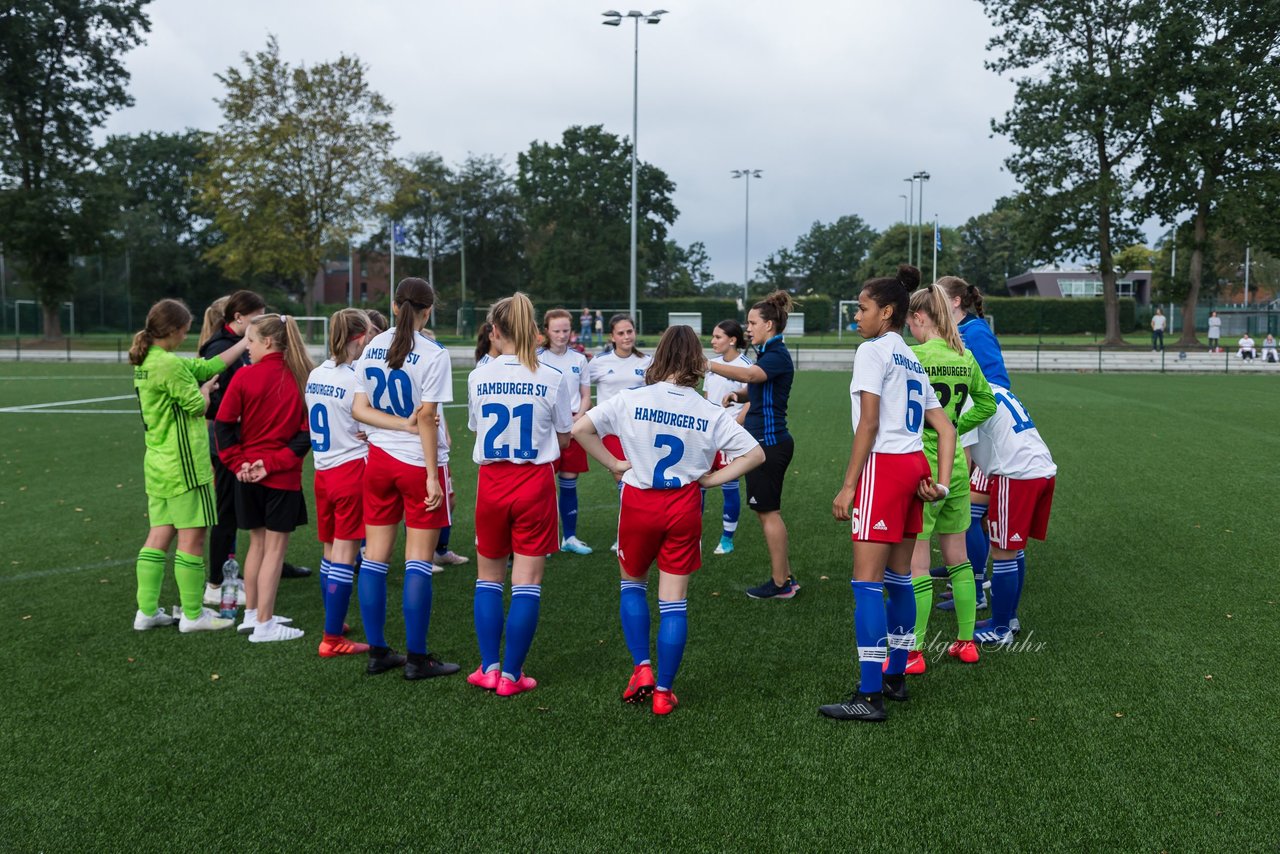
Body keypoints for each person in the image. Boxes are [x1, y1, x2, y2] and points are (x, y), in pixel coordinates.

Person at [574, 325, 764, 715]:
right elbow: (755, 454)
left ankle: (641, 668)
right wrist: (711, 478)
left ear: (659, 357)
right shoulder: (707, 409)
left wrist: (613, 464)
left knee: (632, 584)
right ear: (697, 362)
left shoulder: (632, 398)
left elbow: (580, 429)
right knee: (673, 602)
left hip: (639, 503)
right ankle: (664, 691)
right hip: (683, 506)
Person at [821, 265, 956, 723]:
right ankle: (895, 677)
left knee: (866, 585)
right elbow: (945, 426)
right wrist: (939, 480)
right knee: (899, 579)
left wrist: (848, 484)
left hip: (885, 467)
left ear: (887, 312)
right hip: (914, 466)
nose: (857, 317)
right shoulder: (912, 357)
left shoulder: (873, 351)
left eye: (862, 309)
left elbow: (870, 423)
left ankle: (869, 694)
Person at [351, 278, 460, 680]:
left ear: (395, 305)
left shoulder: (372, 347)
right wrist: (432, 475)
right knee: (417, 561)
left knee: (375, 559)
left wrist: (397, 426)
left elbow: (359, 409)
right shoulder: (433, 352)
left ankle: (378, 651)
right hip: (417, 466)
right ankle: (417, 658)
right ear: (429, 309)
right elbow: (428, 419)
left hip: (378, 462)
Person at [466, 293, 575, 697]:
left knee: (488, 580)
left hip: (492, 485)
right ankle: (512, 677)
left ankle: (488, 668)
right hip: (534, 485)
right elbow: (564, 437)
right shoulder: (552, 376)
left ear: (494, 332)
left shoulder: (479, 376)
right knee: (526, 583)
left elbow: (478, 428)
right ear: (533, 330)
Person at [130, 298, 249, 633]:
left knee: (159, 535)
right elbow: (198, 405)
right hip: (183, 466)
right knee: (193, 538)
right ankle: (194, 615)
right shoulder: (167, 365)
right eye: (183, 330)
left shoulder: (152, 360)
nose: (186, 336)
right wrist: (206, 392)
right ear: (172, 330)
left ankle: (147, 611)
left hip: (158, 461)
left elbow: (206, 367)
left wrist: (242, 342)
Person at [903, 285, 996, 672]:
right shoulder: (965, 356)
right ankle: (965, 642)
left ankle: (914, 652)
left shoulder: (913, 357)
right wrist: (956, 425)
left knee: (917, 564)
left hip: (921, 465)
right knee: (959, 560)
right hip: (955, 465)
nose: (908, 328)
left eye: (909, 321)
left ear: (920, 317)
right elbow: (988, 403)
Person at [216, 314, 314, 643]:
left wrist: (240, 464)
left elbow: (224, 426)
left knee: (258, 544)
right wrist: (265, 464)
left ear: (268, 342)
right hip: (279, 478)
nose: (248, 349)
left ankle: (254, 615)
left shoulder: (247, 377)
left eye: (252, 342)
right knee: (273, 550)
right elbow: (305, 436)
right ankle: (264, 623)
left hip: (250, 477)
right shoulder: (301, 377)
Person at [705, 292, 799, 599]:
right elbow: (757, 385)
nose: (748, 328)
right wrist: (739, 396)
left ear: (769, 325)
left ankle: (781, 584)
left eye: (752, 322)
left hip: (768, 444)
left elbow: (750, 374)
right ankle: (785, 576)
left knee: (768, 512)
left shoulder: (776, 355)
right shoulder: (768, 352)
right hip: (766, 442)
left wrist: (709, 365)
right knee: (768, 511)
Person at [306, 308, 375, 657]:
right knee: (345, 555)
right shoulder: (354, 379)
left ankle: (334, 619)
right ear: (360, 338)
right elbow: (368, 421)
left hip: (323, 472)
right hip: (349, 472)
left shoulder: (316, 373)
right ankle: (332, 638)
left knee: (331, 551)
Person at [935, 276, 1007, 611]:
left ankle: (975, 588)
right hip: (966, 429)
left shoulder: (976, 332)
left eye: (938, 295)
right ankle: (963, 572)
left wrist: (972, 425)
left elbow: (996, 385)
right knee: (967, 510)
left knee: (969, 509)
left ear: (954, 302)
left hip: (979, 430)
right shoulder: (957, 333)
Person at [969, 385, 1057, 647]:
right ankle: (1008, 618)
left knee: (1004, 552)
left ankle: (1000, 628)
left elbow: (962, 450)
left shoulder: (966, 397)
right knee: (1013, 549)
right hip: (1040, 469)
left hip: (1016, 473)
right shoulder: (993, 388)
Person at [199, 290, 267, 604]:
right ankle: (215, 584)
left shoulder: (236, 344)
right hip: (226, 441)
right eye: (255, 319)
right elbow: (217, 401)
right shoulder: (220, 347)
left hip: (242, 438)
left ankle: (257, 565)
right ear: (238, 318)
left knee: (255, 506)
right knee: (227, 510)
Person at [587, 314, 652, 552]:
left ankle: (642, 531)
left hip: (640, 433)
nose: (626, 337)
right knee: (623, 481)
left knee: (642, 483)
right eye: (621, 333)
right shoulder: (599, 363)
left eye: (630, 332)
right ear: (612, 337)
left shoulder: (648, 362)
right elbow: (580, 387)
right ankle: (625, 535)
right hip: (612, 433)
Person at [540, 308, 595, 555]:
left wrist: (577, 419)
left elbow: (586, 396)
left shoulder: (579, 360)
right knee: (543, 487)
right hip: (545, 431)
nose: (562, 335)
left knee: (569, 483)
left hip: (572, 430)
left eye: (565, 331)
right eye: (556, 331)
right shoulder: (537, 358)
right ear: (546, 332)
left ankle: (569, 537)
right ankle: (547, 540)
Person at [702, 319, 752, 556]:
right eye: (712, 336)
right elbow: (705, 397)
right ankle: (694, 536)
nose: (713, 341)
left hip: (729, 436)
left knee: (729, 485)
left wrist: (736, 423)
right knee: (697, 483)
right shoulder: (711, 366)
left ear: (732, 340)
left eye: (718, 337)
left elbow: (752, 399)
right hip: (706, 434)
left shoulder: (745, 366)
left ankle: (727, 538)